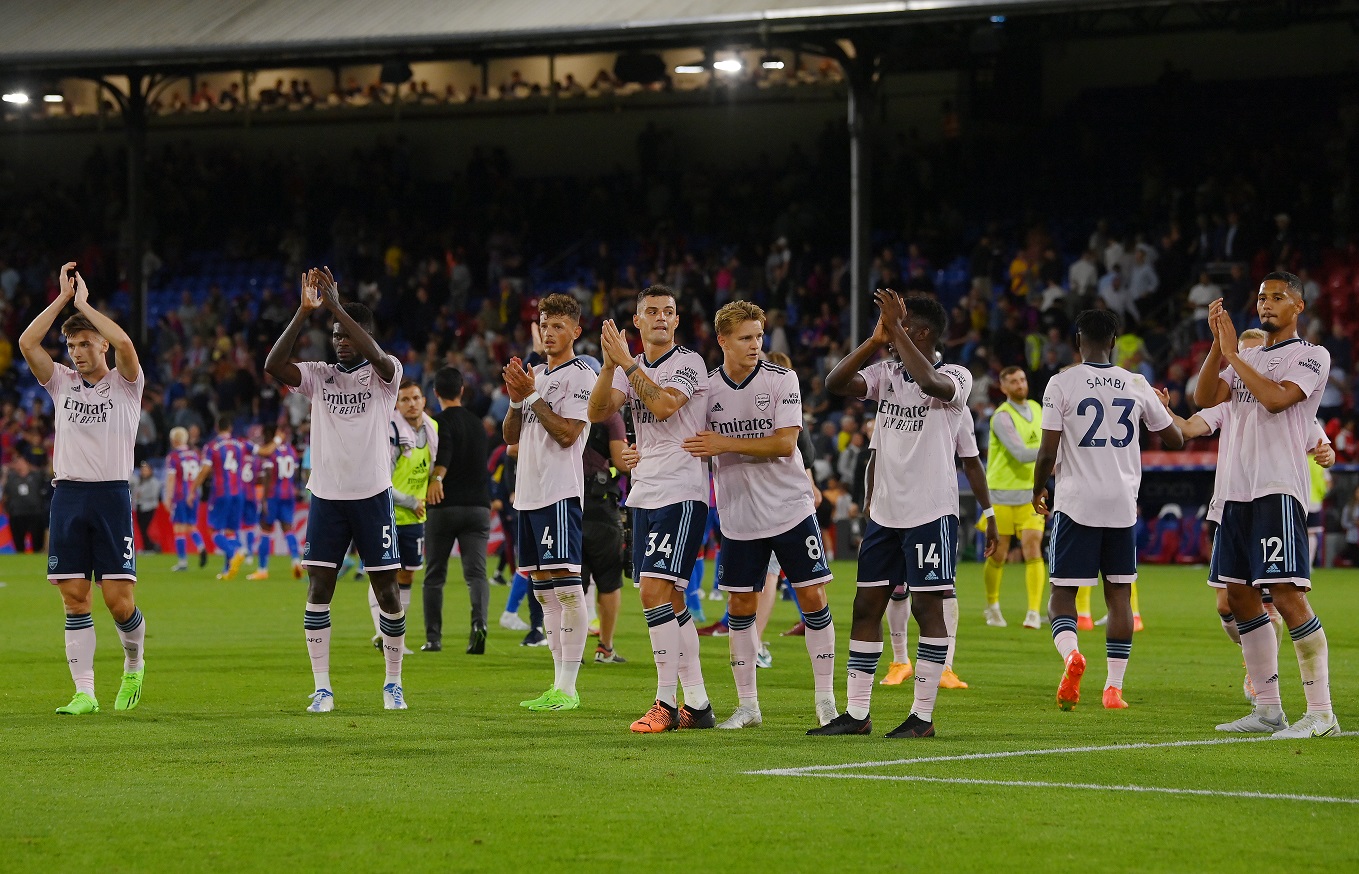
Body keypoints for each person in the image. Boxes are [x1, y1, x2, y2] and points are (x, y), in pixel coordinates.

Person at [813, 290, 989, 738]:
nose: (894, 336)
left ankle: (922, 717)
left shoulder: (956, 375)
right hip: (885, 515)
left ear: (923, 332)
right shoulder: (887, 372)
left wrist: (896, 331)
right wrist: (874, 341)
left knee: (927, 608)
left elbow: (931, 384)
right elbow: (835, 384)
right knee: (865, 604)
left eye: (902, 327)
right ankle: (856, 714)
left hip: (931, 512)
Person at [1194, 271, 1339, 738]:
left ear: (1299, 305)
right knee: (1239, 595)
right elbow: (1205, 397)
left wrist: (1235, 354)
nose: (1266, 304)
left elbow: (1277, 400)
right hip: (1236, 490)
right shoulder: (1247, 355)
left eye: (1278, 297)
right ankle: (1269, 708)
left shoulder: (1312, 355)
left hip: (1277, 487)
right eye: (1261, 297)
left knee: (1287, 595)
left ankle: (1320, 712)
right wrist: (1220, 344)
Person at [682, 301, 838, 731]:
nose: (756, 345)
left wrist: (724, 444)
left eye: (758, 336)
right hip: (739, 518)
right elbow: (689, 439)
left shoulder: (781, 378)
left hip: (790, 509)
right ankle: (748, 706)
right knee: (740, 606)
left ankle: (826, 700)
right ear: (723, 341)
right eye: (746, 337)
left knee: (812, 599)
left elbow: (785, 444)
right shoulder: (707, 389)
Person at [1157, 328, 1332, 703]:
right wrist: (1165, 411)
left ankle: (1315, 708)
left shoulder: (1294, 387)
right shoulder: (1226, 400)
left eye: (1255, 354)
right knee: (1230, 601)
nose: (1252, 362)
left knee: (1280, 597)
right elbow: (1188, 427)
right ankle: (1261, 684)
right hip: (1232, 500)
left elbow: (1317, 442)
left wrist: (1326, 453)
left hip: (1274, 494)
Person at [264, 267, 408, 714]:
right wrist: (306, 311)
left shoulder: (388, 377)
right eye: (335, 334)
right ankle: (322, 687)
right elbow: (272, 365)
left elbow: (378, 357)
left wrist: (338, 309)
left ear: (365, 334)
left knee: (387, 591)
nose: (340, 340)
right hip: (327, 496)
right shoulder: (318, 374)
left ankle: (393, 683)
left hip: (372, 495)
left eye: (348, 334)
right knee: (318, 589)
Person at [1032, 309, 1183, 712]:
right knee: (1120, 597)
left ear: (1078, 341)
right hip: (1121, 505)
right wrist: (1161, 407)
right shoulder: (1136, 383)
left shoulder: (1061, 382)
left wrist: (1037, 490)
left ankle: (1072, 657)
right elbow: (1175, 440)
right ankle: (1114, 689)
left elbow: (1048, 449)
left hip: (1076, 501)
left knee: (1062, 594)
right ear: (1114, 341)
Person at [19, 262, 148, 714]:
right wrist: (60, 300)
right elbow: (27, 342)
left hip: (111, 495)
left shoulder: (126, 384)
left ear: (102, 346)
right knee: (75, 597)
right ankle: (85, 692)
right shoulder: (60, 383)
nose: (76, 352)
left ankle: (134, 663)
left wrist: (85, 305)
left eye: (84, 344)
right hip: (68, 496)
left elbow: (126, 342)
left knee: (117, 602)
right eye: (71, 345)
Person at [588, 284, 716, 732]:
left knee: (652, 593)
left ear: (677, 321)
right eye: (651, 312)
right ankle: (697, 705)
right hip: (643, 492)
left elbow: (662, 407)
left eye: (668, 311)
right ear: (637, 322)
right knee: (671, 598)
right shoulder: (630, 366)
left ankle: (665, 702)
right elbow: (598, 411)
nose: (661, 318)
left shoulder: (689, 363)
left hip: (681, 491)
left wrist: (624, 363)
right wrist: (608, 367)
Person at [504, 293, 595, 713]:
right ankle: (556, 684)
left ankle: (570, 687)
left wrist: (532, 396)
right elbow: (511, 436)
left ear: (576, 331)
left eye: (559, 326)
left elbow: (568, 434)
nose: (549, 332)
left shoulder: (580, 376)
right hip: (528, 493)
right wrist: (515, 395)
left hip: (559, 490)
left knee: (567, 586)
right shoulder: (534, 373)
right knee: (543, 592)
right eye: (545, 325)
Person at [423, 367, 493, 654]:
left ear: (435, 393)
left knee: (435, 575)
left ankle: (434, 638)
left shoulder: (436, 424)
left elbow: (445, 451)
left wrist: (437, 479)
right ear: (462, 390)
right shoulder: (478, 425)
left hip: (443, 506)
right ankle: (479, 626)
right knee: (476, 574)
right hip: (478, 507)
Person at [367, 380, 436, 655]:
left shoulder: (432, 428)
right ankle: (383, 634)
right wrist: (409, 501)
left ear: (424, 400)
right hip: (388, 514)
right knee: (385, 575)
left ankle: (395, 635)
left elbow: (429, 467)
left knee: (407, 575)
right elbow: (380, 478)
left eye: (415, 398)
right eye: (405, 399)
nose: (411, 403)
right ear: (396, 404)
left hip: (415, 517)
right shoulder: (391, 432)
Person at [981, 366, 1047, 630]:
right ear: (1004, 388)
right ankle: (992, 606)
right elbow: (1020, 454)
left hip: (1029, 494)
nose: (1020, 384)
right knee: (999, 554)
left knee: (1033, 548)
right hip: (1000, 494)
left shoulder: (1037, 408)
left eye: (1022, 379)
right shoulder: (1001, 417)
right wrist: (1052, 452)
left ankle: (1033, 612)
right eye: (1013, 382)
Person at [578, 407, 635, 665]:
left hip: (568, 507)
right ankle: (605, 647)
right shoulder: (610, 416)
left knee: (571, 585)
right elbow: (623, 463)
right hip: (602, 508)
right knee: (609, 581)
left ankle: (570, 651)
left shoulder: (561, 408)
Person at [194, 415, 250, 580]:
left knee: (214, 530)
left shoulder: (212, 446)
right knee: (231, 531)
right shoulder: (241, 444)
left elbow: (204, 470)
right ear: (230, 428)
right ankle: (227, 570)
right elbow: (262, 451)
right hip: (238, 492)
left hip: (220, 493)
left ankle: (236, 551)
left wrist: (192, 489)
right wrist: (278, 439)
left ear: (217, 428)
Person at [248, 424, 303, 580]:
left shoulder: (271, 453)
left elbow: (268, 475)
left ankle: (262, 569)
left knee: (266, 529)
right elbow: (296, 472)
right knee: (288, 529)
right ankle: (295, 561)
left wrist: (264, 499)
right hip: (289, 493)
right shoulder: (292, 451)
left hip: (273, 494)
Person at [163, 426, 208, 571]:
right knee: (191, 526)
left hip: (180, 494)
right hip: (194, 494)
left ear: (174, 440)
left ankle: (182, 562)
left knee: (179, 528)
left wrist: (168, 497)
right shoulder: (194, 454)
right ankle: (201, 546)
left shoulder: (173, 456)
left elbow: (171, 479)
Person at [3, 455, 50, 553]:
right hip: (17, 514)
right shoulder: (11, 478)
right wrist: (7, 509)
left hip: (35, 513)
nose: (19, 465)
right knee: (18, 542)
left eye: (21, 462)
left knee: (38, 542)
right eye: (17, 463)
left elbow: (48, 476)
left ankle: (37, 558)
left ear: (28, 463)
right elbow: (5, 495)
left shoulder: (37, 476)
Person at [131, 462, 161, 553]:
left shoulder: (154, 482)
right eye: (142, 470)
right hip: (140, 507)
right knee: (142, 529)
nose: (144, 472)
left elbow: (154, 495)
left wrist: (141, 495)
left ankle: (151, 547)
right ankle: (146, 547)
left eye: (146, 470)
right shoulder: (138, 481)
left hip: (149, 507)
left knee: (147, 529)